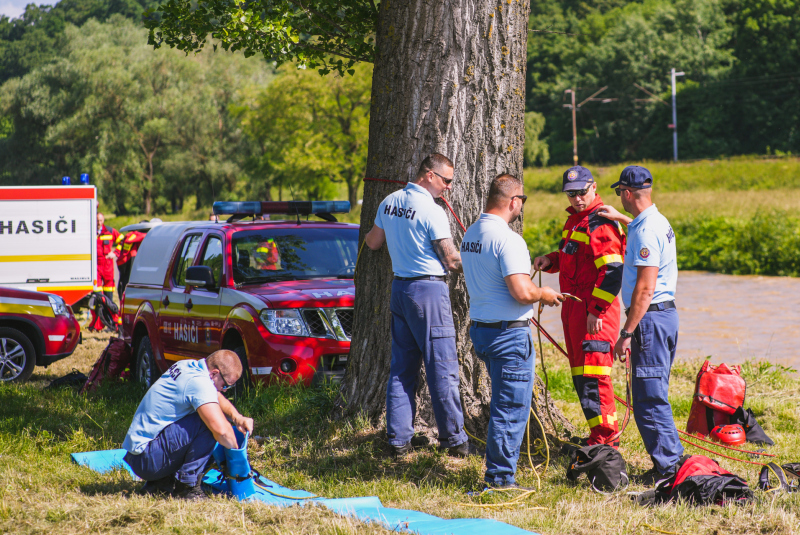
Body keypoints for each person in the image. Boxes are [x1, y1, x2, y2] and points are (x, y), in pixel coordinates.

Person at [364, 153, 473, 457]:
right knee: (442, 367)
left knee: (402, 369)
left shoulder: (389, 201)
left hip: (400, 289)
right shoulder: (432, 210)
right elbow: (451, 260)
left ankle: (398, 441)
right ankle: (454, 440)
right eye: (446, 180)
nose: (449, 187)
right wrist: (483, 265)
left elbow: (373, 242)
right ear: (429, 175)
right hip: (428, 292)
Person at [461, 174, 563, 488]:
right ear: (513, 202)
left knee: (504, 404)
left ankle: (499, 472)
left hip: (482, 332)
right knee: (511, 408)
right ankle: (500, 479)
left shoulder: (471, 234)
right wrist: (544, 294)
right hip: (508, 336)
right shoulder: (509, 239)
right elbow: (521, 291)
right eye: (523, 201)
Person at [596, 165, 684, 485]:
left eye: (620, 192)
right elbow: (642, 230)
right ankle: (670, 462)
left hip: (648, 320)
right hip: (665, 316)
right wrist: (622, 220)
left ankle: (669, 469)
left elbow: (644, 289)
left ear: (628, 193)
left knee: (648, 398)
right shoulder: (653, 221)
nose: (619, 197)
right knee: (653, 392)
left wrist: (626, 333)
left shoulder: (645, 231)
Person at [533, 166, 625, 447]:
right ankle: (597, 435)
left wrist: (595, 311)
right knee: (581, 375)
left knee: (594, 376)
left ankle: (606, 440)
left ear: (594, 187)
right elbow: (573, 258)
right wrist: (551, 260)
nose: (576, 198)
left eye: (581, 192)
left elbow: (612, 272)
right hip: (574, 308)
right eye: (571, 194)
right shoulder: (575, 222)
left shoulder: (600, 222)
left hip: (595, 313)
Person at [122, 350, 254, 499]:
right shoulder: (198, 383)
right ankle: (187, 487)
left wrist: (237, 417)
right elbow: (222, 431)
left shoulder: (188, 366)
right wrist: (239, 460)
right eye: (225, 385)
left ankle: (162, 483)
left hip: (141, 454)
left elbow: (213, 394)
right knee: (209, 423)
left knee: (209, 414)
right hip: (147, 459)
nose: (224, 390)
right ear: (215, 373)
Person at [96, 213, 119, 301]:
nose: (99, 222)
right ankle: (99, 312)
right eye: (97, 220)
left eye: (101, 220)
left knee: (108, 289)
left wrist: (115, 253)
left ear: (103, 220)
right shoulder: (91, 231)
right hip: (96, 265)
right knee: (97, 291)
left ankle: (109, 312)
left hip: (107, 264)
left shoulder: (110, 231)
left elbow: (122, 240)